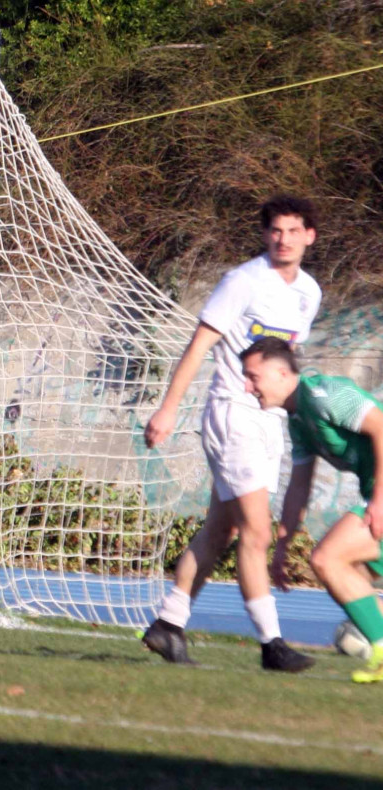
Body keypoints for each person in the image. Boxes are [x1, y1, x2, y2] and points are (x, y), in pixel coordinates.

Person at [142, 196, 322, 671]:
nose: (283, 239)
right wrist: (168, 409)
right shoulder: (242, 281)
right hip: (232, 414)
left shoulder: (310, 293)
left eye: (293, 230)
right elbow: (200, 344)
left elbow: (285, 365)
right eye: (275, 231)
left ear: (310, 236)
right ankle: (272, 645)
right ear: (265, 235)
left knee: (222, 528)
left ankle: (168, 624)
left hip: (270, 420)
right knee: (257, 531)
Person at [238, 338, 383, 683]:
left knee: (328, 559)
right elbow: (299, 487)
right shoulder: (298, 420)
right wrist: (283, 547)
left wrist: (378, 498)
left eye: (253, 376)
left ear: (281, 373)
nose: (247, 386)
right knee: (353, 575)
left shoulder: (326, 394)